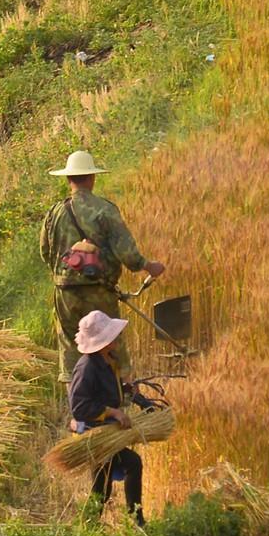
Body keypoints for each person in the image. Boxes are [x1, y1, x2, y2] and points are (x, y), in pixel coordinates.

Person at [42, 149, 161, 374]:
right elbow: (129, 255)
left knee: (71, 352)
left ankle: (78, 404)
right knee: (110, 345)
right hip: (98, 291)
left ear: (68, 178)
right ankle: (119, 401)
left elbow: (46, 253)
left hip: (64, 293)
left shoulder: (54, 212)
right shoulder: (104, 210)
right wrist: (149, 266)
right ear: (92, 177)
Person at [68, 309, 147, 525]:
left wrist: (129, 390)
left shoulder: (107, 360)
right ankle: (137, 521)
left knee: (101, 485)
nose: (117, 338)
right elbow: (79, 407)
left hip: (106, 431)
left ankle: (88, 527)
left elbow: (108, 390)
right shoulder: (86, 368)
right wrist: (112, 412)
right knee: (131, 464)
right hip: (95, 433)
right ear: (103, 342)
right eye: (113, 335)